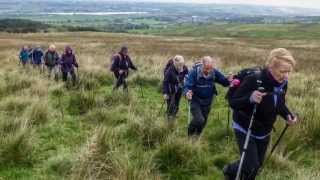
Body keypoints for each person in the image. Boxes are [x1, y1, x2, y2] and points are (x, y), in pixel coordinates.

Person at [223, 48, 298, 180]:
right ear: (270, 67)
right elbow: (234, 102)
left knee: (257, 166)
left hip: (265, 130)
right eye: (282, 71)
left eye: (289, 72)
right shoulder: (254, 80)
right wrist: (250, 98)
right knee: (251, 165)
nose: (286, 76)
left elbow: (279, 104)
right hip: (245, 126)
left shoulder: (283, 84)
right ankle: (229, 171)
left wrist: (287, 115)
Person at [184, 56, 232, 138]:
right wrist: (187, 93)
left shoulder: (214, 72)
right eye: (206, 69)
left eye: (210, 69)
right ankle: (190, 134)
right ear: (202, 65)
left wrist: (229, 80)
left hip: (208, 101)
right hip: (196, 101)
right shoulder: (194, 72)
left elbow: (224, 82)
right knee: (199, 119)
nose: (208, 71)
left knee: (204, 122)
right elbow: (187, 86)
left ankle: (197, 137)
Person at [162, 55, 188, 126]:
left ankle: (173, 115)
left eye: (182, 64)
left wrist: (186, 84)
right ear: (175, 65)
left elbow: (187, 76)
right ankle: (169, 119)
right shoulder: (170, 70)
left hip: (179, 88)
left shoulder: (185, 68)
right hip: (170, 89)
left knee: (176, 104)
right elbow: (165, 82)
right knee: (171, 104)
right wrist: (165, 93)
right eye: (179, 65)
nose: (181, 67)